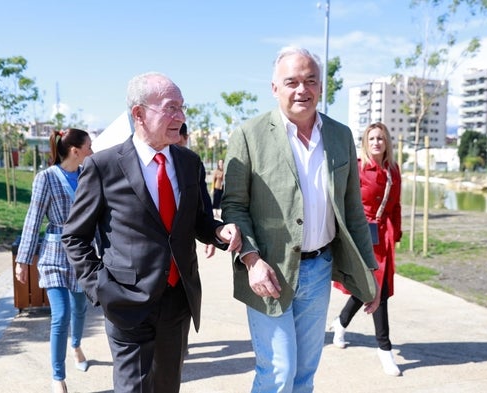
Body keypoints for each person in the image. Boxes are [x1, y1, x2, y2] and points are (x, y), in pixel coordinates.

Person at [61, 72, 242, 393]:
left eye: (182, 109)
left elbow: (199, 220)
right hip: (126, 300)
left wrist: (220, 232)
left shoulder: (189, 162)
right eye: (171, 108)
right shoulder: (104, 166)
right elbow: (75, 237)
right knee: (134, 388)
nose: (181, 117)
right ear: (139, 114)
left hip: (177, 300)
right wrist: (101, 288)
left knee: (167, 386)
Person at [221, 46, 381, 393]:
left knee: (305, 374)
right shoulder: (248, 135)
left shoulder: (340, 136)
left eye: (310, 81)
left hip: (320, 269)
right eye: (291, 81)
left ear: (321, 87)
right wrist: (251, 260)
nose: (302, 90)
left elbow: (353, 210)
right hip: (268, 272)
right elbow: (233, 206)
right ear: (274, 87)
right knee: (278, 372)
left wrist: (369, 270)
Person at [15, 128, 93, 393]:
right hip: (54, 254)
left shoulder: (88, 175)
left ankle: (76, 345)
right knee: (61, 314)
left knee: (80, 308)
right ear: (75, 150)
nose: (91, 152)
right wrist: (23, 260)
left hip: (82, 254)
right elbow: (33, 218)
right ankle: (57, 377)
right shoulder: (45, 178)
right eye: (89, 147)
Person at [330, 122, 402, 376]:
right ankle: (385, 349)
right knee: (374, 290)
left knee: (369, 288)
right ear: (365, 142)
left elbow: (396, 206)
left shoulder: (393, 170)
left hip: (383, 237)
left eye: (380, 138)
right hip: (361, 236)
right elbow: (346, 204)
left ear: (387, 142)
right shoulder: (358, 168)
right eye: (371, 138)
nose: (376, 143)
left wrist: (398, 233)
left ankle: (340, 323)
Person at [178, 122, 216, 258]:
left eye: (177, 143)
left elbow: (203, 198)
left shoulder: (193, 163)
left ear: (185, 138)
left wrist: (212, 233)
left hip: (183, 245)